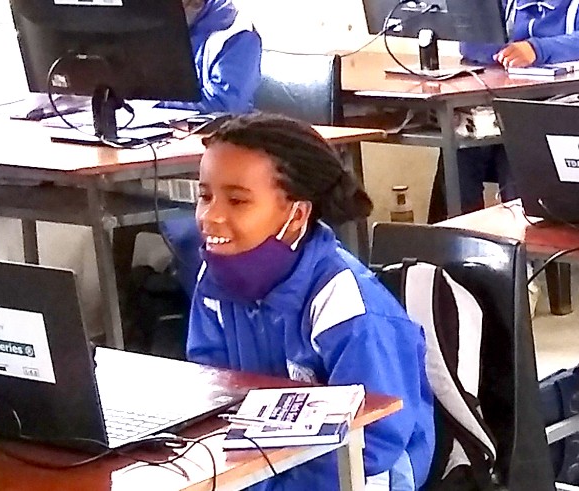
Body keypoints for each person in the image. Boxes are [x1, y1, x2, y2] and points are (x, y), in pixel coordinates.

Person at [186, 113, 435, 490]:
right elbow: (211, 390)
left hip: (360, 476)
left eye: (237, 200)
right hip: (264, 466)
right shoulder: (216, 278)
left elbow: (371, 443)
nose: (211, 217)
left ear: (297, 214)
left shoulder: (348, 305)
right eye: (205, 196)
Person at [432, 0, 579, 218]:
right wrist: (507, 54)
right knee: (457, 149)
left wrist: (537, 49)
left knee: (516, 149)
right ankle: (456, 236)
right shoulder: (510, 4)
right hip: (501, 103)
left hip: (557, 108)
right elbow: (471, 44)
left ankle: (521, 237)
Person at [158, 0, 262, 113]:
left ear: (196, 3)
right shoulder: (162, 24)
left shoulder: (239, 34)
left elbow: (223, 105)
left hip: (223, 127)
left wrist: (155, 102)